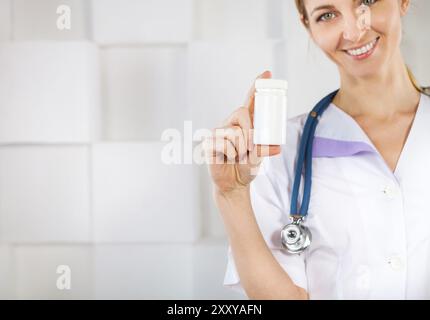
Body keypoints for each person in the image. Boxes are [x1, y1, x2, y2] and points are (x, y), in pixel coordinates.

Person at [203, 0, 430, 300]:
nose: (353, 30)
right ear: (307, 25)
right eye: (327, 15)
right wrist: (231, 195)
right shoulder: (277, 152)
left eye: (367, 1)